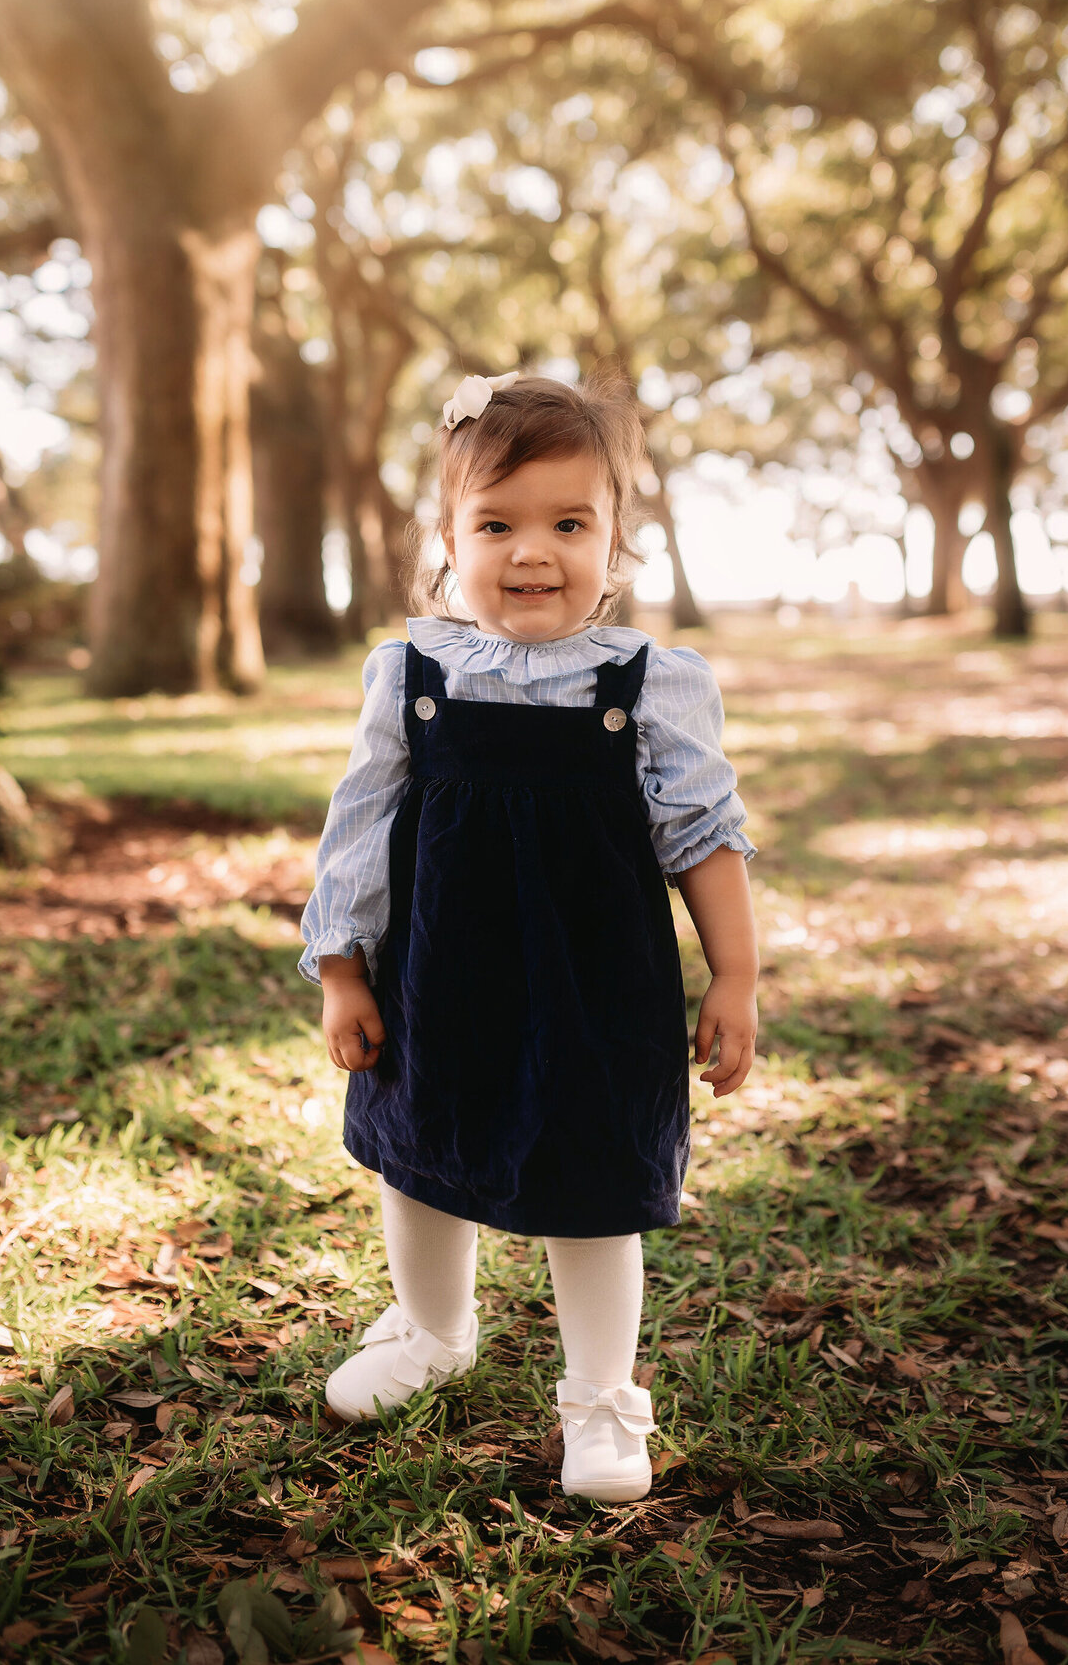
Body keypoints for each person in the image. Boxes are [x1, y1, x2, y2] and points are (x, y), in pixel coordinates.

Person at [298, 363, 758, 1503]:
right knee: (420, 1153)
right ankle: (431, 1329)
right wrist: (343, 969)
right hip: (439, 969)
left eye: (569, 521)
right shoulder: (410, 672)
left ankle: (602, 1397)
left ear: (614, 539)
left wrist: (735, 973)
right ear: (448, 538)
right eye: (495, 522)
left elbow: (702, 832)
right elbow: (357, 826)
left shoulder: (652, 682)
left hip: (597, 983)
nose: (532, 550)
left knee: (595, 1183)